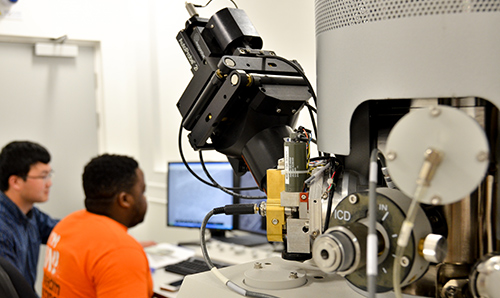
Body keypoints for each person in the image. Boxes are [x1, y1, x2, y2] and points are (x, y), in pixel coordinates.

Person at [42, 154, 152, 298]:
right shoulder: (119, 251)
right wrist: (125, 250)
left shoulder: (66, 224)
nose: (144, 198)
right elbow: (112, 252)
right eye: (142, 192)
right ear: (124, 200)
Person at [0, 141, 59, 290]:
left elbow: (63, 231)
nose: (49, 183)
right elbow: (9, 289)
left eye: (49, 175)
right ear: (16, 182)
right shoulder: (2, 229)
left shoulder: (31, 214)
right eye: (43, 176)